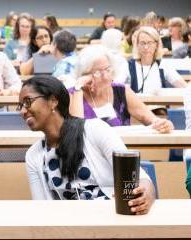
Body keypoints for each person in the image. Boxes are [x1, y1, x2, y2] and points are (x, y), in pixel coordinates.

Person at [19, 75, 155, 214]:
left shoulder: (95, 130)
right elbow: (41, 208)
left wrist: (145, 194)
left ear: (53, 101)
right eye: (20, 106)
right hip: (68, 229)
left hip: (112, 220)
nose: (23, 111)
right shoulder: (33, 155)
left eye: (27, 102)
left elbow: (141, 179)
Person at [69, 44, 173, 132]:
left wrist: (162, 124)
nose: (105, 76)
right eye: (97, 72)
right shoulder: (73, 95)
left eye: (107, 69)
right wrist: (78, 86)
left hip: (119, 152)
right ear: (84, 74)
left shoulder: (121, 90)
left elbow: (150, 119)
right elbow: (76, 130)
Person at [126, 26, 187, 95]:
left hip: (159, 105)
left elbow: (185, 87)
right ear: (137, 45)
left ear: (157, 45)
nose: (146, 47)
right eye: (142, 43)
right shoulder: (128, 66)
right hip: (135, 105)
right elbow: (115, 88)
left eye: (150, 43)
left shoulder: (163, 65)